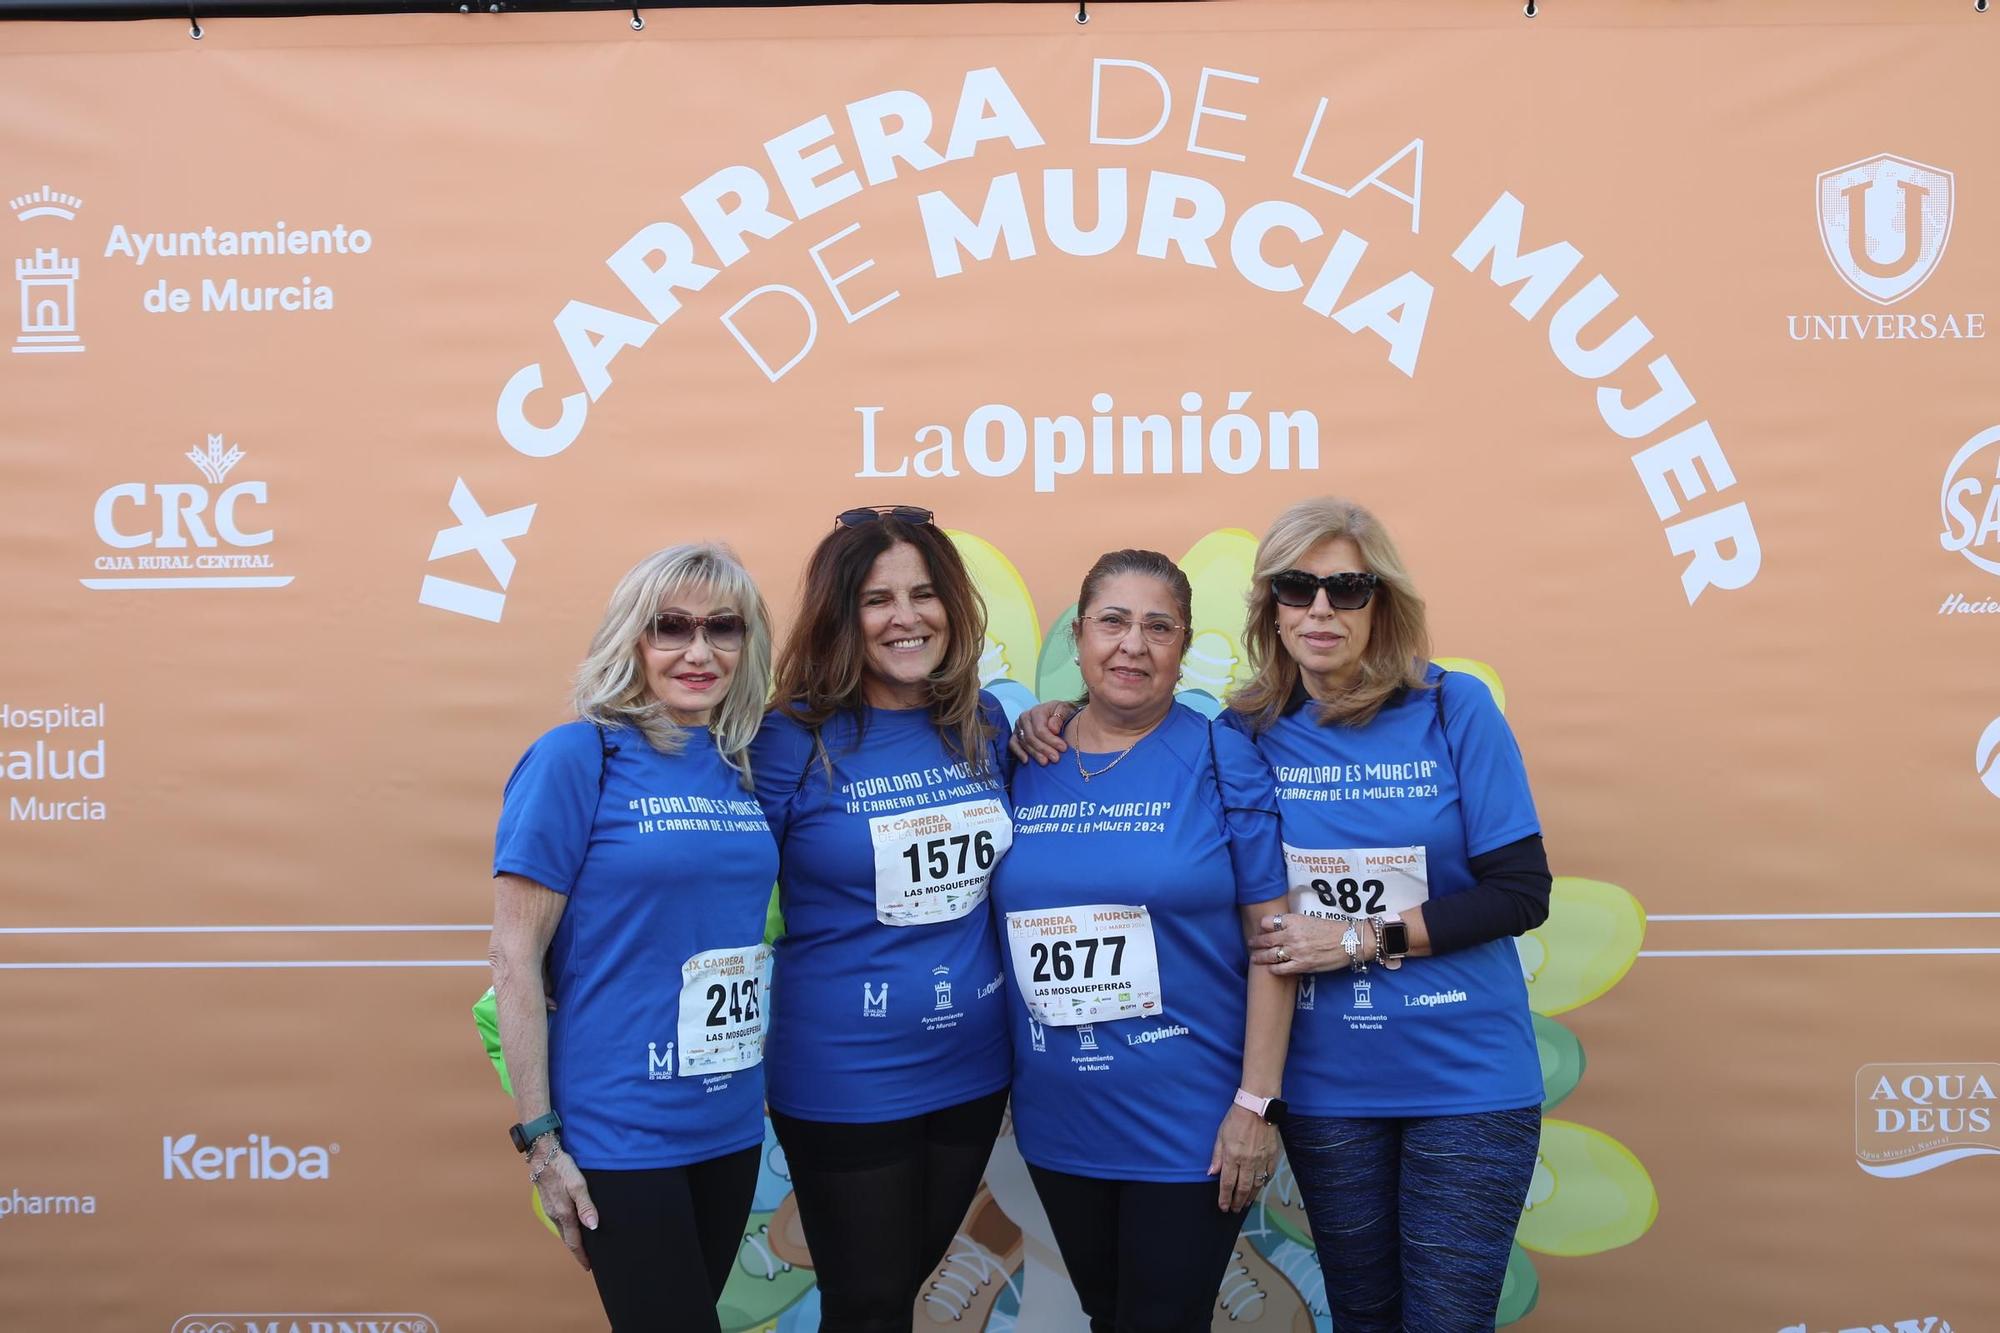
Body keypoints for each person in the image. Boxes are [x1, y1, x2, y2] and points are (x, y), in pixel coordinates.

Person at [992, 548, 1294, 1333]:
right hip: (1061, 1116)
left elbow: (1273, 942)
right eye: (1113, 622)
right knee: (1108, 1315)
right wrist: (1035, 717)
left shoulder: (1223, 755)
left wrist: (1255, 1106)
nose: (1134, 645)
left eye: (1159, 627)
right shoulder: (1024, 757)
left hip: (1190, 1120)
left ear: (1184, 645)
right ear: (1079, 636)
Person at [488, 543, 780, 1333]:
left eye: (724, 627)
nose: (699, 650)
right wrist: (542, 1143)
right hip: (619, 1126)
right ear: (632, 640)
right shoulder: (577, 757)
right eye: (670, 627)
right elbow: (513, 959)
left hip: (726, 1122)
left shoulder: (747, 763)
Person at [750, 505, 1015, 1333]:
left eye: (924, 593)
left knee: (894, 1295)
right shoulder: (786, 739)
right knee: (865, 1304)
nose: (906, 616)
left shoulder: (985, 726)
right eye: (877, 599)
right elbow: (708, 880)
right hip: (841, 1070)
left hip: (972, 1067)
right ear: (841, 614)